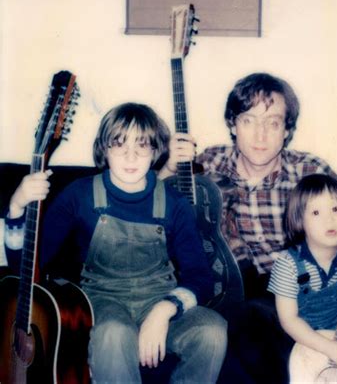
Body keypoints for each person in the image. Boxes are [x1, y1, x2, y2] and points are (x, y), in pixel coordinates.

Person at [160, 72, 337, 383]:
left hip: (305, 292)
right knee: (235, 325)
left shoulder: (309, 172)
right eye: (249, 121)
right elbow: (157, 218)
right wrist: (167, 167)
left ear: (287, 130)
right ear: (233, 124)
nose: (260, 136)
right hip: (244, 298)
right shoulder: (207, 165)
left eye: (273, 123)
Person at [5, 102, 227, 384]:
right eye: (119, 144)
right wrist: (16, 207)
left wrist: (164, 310)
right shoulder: (79, 194)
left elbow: (200, 277)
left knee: (213, 330)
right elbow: (26, 271)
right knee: (113, 333)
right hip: (102, 298)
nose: (130, 156)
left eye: (142, 145)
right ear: (104, 149)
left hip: (159, 294)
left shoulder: (174, 203)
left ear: (155, 150)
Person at [268, 174, 337, 379]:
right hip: (300, 341)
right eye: (316, 212)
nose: (329, 219)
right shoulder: (288, 263)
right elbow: (289, 320)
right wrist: (329, 348)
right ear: (299, 221)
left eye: (336, 209)